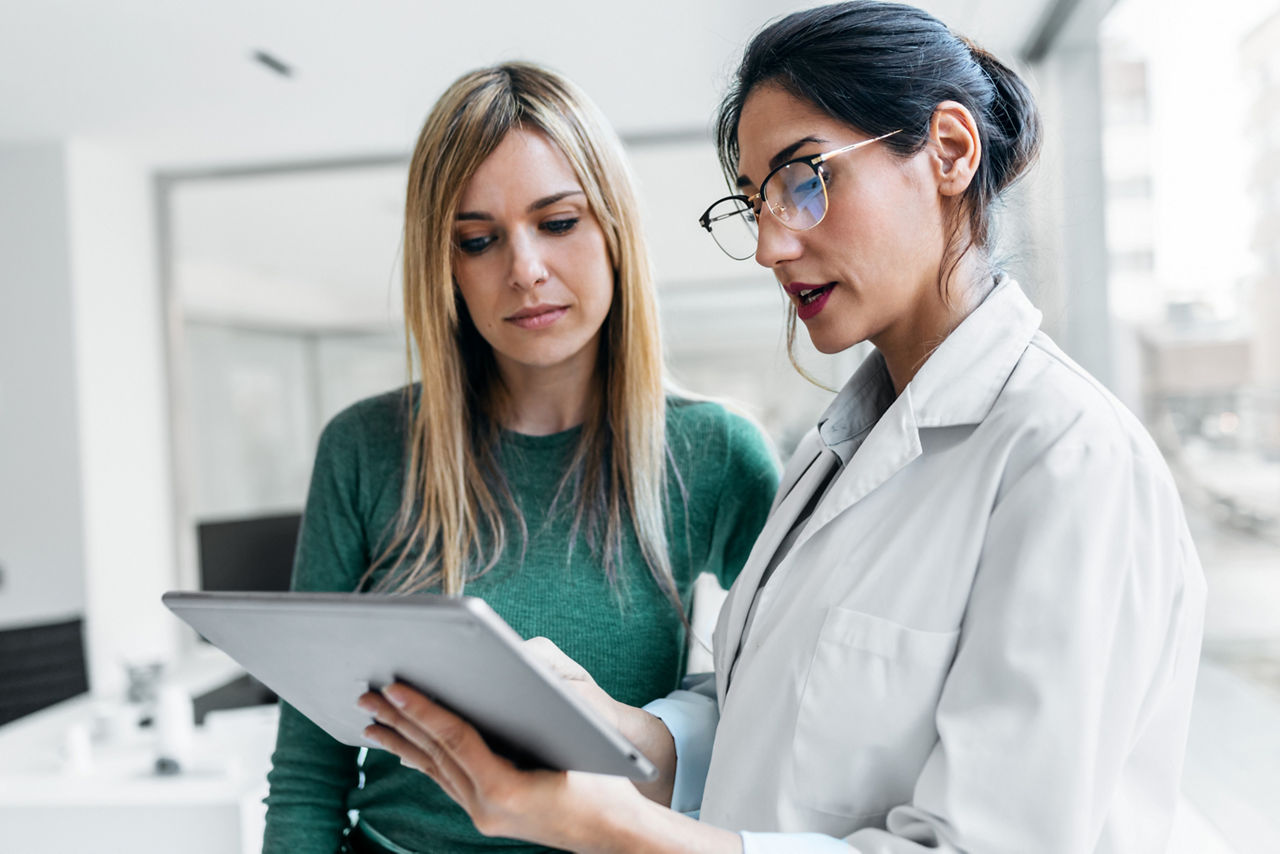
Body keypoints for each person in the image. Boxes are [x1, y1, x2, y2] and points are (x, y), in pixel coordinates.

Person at [356, 3, 1208, 853]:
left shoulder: (1067, 461)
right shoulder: (839, 453)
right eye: (756, 200)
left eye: (807, 179)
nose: (769, 244)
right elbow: (772, 711)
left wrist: (607, 826)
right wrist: (627, 734)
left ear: (948, 151)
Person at [262, 61, 781, 854]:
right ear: (447, 266)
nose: (525, 269)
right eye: (478, 239)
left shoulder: (715, 454)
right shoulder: (365, 450)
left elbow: (787, 712)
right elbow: (308, 774)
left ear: (614, 228)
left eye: (560, 222)